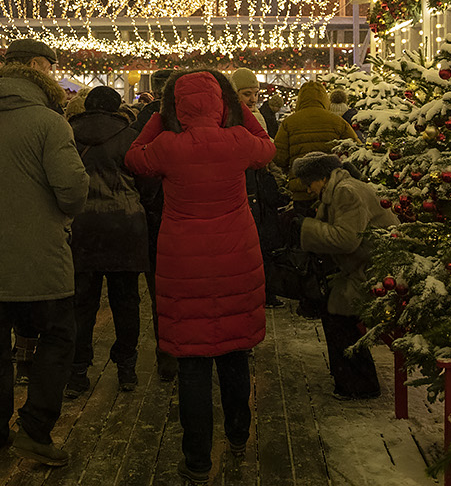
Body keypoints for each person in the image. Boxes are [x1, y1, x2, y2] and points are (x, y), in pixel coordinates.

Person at [125, 69, 276, 484]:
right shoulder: (238, 142)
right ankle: (239, 434)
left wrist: (160, 114)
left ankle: (197, 460)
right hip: (235, 257)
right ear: (221, 103)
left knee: (192, 362)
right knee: (234, 352)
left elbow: (134, 155)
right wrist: (239, 109)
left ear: (176, 107)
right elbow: (268, 147)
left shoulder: (168, 147)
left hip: (183, 260)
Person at [0, 38, 89, 467]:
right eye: (51, 66)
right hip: (42, 255)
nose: (54, 73)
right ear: (35, 66)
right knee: (57, 338)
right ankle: (35, 429)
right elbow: (72, 191)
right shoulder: (50, 123)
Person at [280, 152, 397, 399]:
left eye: (309, 183)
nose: (309, 190)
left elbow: (346, 240)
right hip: (364, 263)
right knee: (329, 305)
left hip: (377, 269)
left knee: (338, 311)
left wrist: (305, 227)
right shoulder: (338, 188)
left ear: (321, 177)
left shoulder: (346, 192)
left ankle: (360, 383)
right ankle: (351, 378)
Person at [65, 85, 148, 397]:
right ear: (116, 109)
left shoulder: (67, 134)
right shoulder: (130, 137)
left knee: (81, 305)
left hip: (81, 229)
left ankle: (77, 372)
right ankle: (126, 367)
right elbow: (147, 182)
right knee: (126, 302)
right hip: (124, 228)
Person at [128, 67, 177, 382]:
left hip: (149, 214)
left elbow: (132, 164)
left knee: (160, 291)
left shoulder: (139, 123)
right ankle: (186, 349)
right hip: (179, 211)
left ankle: (167, 354)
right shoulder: (180, 122)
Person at [231, 68, 286, 308]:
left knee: (263, 240)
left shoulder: (258, 116)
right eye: (246, 94)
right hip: (245, 185)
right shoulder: (233, 119)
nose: (253, 99)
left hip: (261, 185)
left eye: (255, 93)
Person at [273, 80, 359, 202]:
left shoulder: (289, 123)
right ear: (325, 99)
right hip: (332, 189)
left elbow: (279, 158)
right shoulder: (338, 122)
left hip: (302, 189)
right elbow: (355, 151)